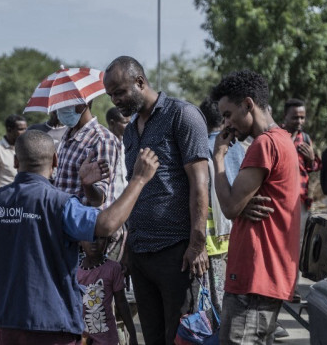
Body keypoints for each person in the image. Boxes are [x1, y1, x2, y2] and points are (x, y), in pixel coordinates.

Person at [0, 130, 159, 345]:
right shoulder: (60, 203)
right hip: (52, 322)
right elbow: (107, 225)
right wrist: (138, 180)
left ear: (15, 161)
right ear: (55, 160)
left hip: (6, 320)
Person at [103, 56, 210, 345]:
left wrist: (197, 243)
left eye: (120, 92)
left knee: (180, 337)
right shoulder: (129, 131)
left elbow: (200, 182)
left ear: (140, 82)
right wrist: (128, 248)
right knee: (152, 337)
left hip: (177, 253)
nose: (116, 100)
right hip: (140, 253)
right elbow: (133, 191)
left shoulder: (182, 115)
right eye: (111, 95)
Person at [210, 70, 300, 344]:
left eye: (227, 114)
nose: (225, 124)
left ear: (248, 105)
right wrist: (241, 203)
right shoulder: (282, 140)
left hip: (254, 278)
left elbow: (229, 207)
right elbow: (240, 203)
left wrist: (219, 157)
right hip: (265, 277)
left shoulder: (264, 144)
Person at [199, 97, 246, 315]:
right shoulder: (239, 146)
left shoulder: (201, 147)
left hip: (210, 230)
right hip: (236, 224)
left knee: (213, 287)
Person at [54, 99, 119, 208]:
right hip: (63, 219)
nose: (60, 110)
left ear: (84, 103)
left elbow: (99, 199)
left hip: (85, 222)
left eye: (65, 104)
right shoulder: (68, 134)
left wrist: (87, 185)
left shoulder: (102, 139)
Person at [78, 238, 138, 345]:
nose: (94, 242)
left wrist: (133, 334)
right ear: (80, 241)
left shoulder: (113, 268)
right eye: (88, 237)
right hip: (81, 336)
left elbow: (121, 302)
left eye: (99, 238)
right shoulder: (74, 269)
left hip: (107, 338)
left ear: (108, 241)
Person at [281, 98, 321, 232]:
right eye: (295, 117)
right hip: (280, 198)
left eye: (302, 117)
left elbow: (313, 167)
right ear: (285, 116)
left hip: (300, 198)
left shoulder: (305, 139)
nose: (299, 121)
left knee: (299, 237)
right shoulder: (276, 137)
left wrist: (311, 159)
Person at [105, 106, 131, 261]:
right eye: (124, 123)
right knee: (113, 251)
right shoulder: (105, 144)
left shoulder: (129, 143)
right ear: (113, 123)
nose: (128, 126)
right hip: (112, 206)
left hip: (129, 203)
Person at [0, 114, 27, 189]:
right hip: (5, 197)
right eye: (21, 129)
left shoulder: (25, 148)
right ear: (9, 130)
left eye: (25, 129)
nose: (24, 132)